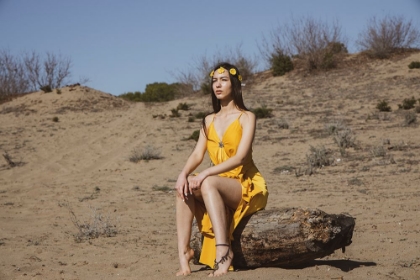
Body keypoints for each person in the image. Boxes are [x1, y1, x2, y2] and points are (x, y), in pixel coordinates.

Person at [175, 62, 268, 277]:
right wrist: (183, 174)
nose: (218, 85)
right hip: (216, 182)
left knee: (207, 181)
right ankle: (184, 253)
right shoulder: (209, 120)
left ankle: (224, 252)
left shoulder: (247, 117)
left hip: (244, 184)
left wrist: (207, 172)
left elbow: (241, 157)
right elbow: (198, 154)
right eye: (215, 81)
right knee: (184, 187)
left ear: (234, 84)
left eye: (224, 80)